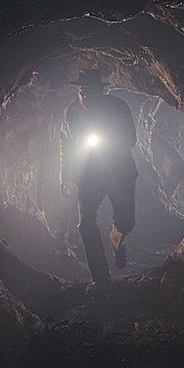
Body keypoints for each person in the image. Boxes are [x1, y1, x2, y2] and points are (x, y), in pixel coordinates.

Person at [59, 69, 138, 287]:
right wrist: (63, 175)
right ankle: (100, 278)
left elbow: (131, 138)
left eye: (91, 91)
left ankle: (116, 238)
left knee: (127, 220)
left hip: (118, 171)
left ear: (102, 91)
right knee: (85, 224)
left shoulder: (118, 106)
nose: (86, 96)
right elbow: (65, 144)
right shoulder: (71, 112)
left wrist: (109, 141)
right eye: (82, 91)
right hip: (88, 174)